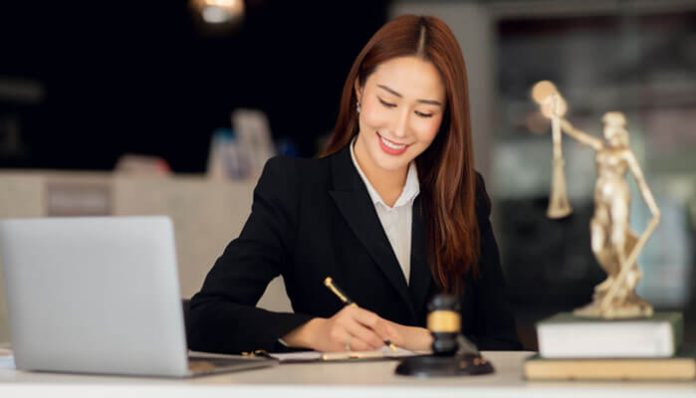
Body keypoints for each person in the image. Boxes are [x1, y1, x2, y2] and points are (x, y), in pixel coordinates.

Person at [189, 14, 521, 354]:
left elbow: (505, 345)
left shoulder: (463, 193)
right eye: (388, 102)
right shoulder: (295, 188)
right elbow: (206, 317)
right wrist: (311, 332)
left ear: (446, 117)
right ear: (360, 89)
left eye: (424, 113)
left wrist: (419, 340)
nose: (400, 128)